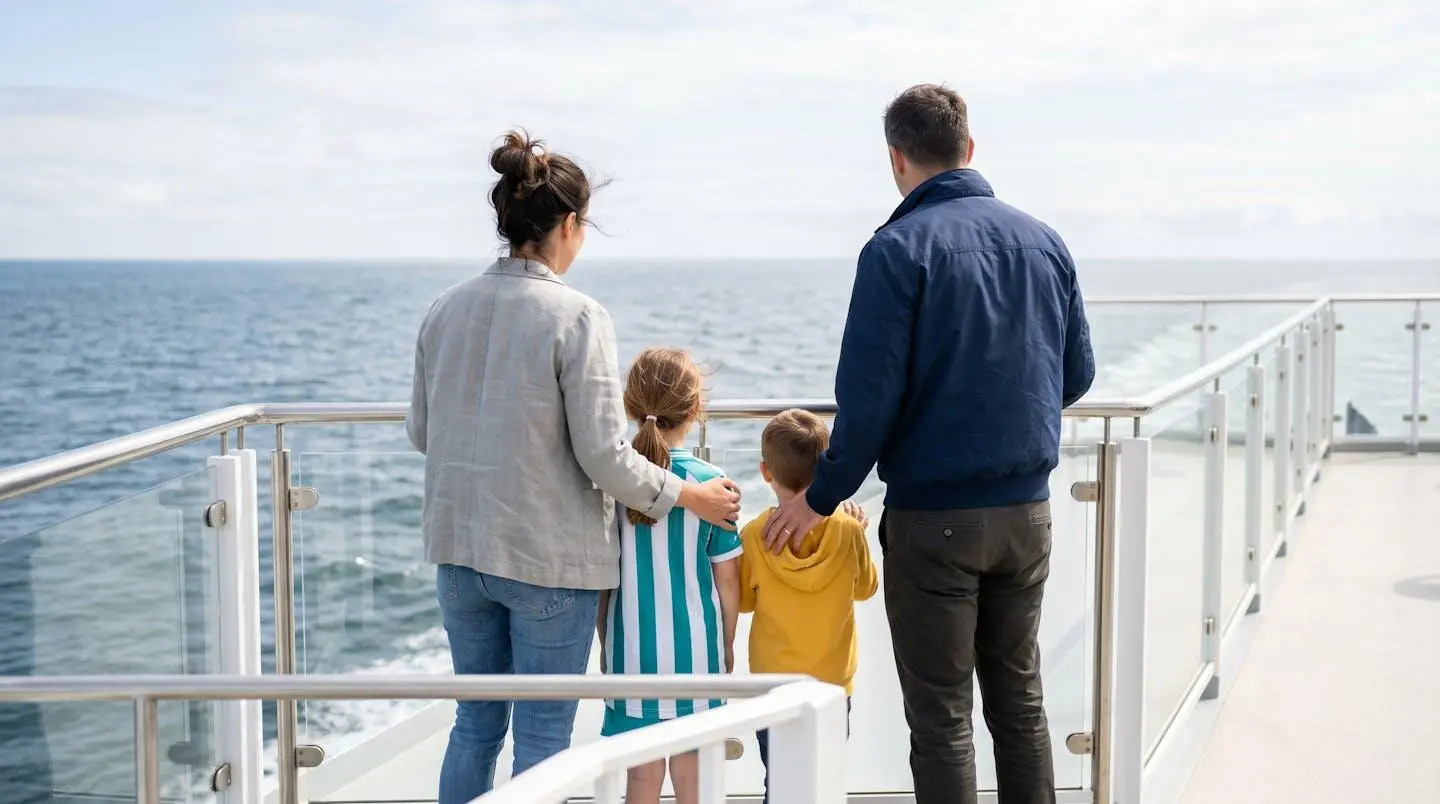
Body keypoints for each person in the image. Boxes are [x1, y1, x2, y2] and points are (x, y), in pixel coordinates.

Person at [763, 85, 1096, 804]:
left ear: (896, 159)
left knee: (942, 718)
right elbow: (1077, 375)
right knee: (1020, 701)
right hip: (1027, 514)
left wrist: (820, 498)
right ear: (969, 149)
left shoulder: (895, 250)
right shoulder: (1045, 241)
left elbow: (869, 401)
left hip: (933, 521)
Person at [406, 131, 743, 804]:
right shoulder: (577, 315)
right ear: (569, 223)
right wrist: (689, 497)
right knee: (543, 732)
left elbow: (423, 432)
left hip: (457, 553)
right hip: (546, 565)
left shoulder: (443, 308)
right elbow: (601, 454)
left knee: (474, 721)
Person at [595, 347, 742, 804]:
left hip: (630, 655)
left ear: (631, 407)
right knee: (694, 781)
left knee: (640, 782)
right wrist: (727, 644)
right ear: (696, 410)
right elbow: (729, 582)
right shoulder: (714, 484)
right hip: (698, 657)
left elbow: (602, 581)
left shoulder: (615, 484)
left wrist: (606, 643)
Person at [739, 408, 877, 804]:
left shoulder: (754, 536)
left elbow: (746, 603)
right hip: (832, 686)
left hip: (773, 685)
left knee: (780, 784)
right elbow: (866, 588)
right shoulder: (848, 529)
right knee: (823, 781)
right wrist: (859, 536)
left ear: (766, 473)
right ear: (824, 470)